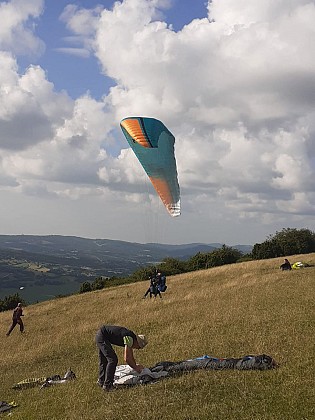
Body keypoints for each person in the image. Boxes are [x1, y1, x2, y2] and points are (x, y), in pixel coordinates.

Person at [95, 325, 148, 391]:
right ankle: (108, 385)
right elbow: (127, 358)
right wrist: (136, 368)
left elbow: (130, 356)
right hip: (102, 336)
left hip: (101, 335)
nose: (138, 349)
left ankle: (101, 381)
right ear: (137, 342)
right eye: (139, 347)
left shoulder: (130, 338)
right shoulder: (129, 338)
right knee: (113, 360)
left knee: (104, 360)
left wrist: (135, 365)